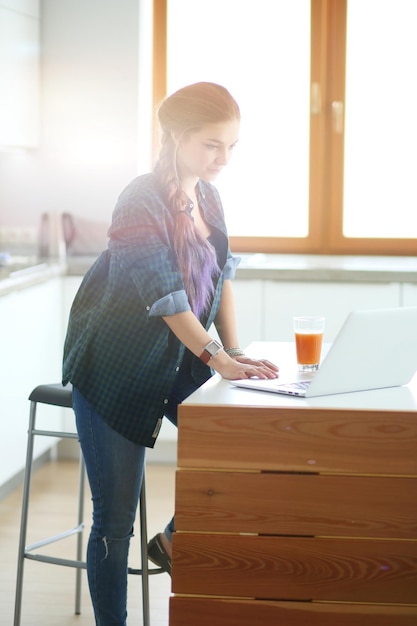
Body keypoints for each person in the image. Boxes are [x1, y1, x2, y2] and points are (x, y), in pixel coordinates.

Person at [62, 81, 279, 625]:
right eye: (212, 145)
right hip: (116, 368)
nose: (224, 158)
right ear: (179, 138)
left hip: (181, 358)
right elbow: (165, 294)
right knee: (113, 523)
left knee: (253, 442)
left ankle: (173, 540)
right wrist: (216, 359)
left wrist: (232, 351)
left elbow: (223, 274)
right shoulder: (139, 198)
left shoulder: (209, 195)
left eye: (232, 146)